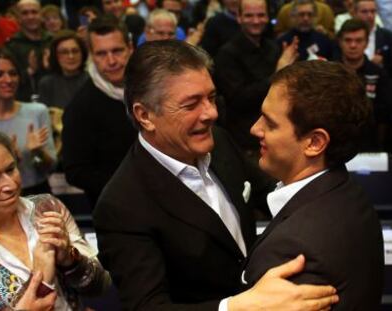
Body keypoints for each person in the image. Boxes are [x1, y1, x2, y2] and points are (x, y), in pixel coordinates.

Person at [93, 39, 339, 311]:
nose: (211, 113)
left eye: (210, 98)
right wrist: (236, 307)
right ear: (145, 115)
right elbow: (148, 307)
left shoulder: (219, 141)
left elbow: (270, 194)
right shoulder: (122, 205)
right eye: (191, 105)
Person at [243, 60, 384, 310]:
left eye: (270, 123)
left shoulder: (292, 250)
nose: (255, 129)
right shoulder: (349, 193)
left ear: (315, 142)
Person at [0, 124, 111, 310]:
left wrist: (70, 259)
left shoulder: (46, 208)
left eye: (10, 169)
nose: (10, 185)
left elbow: (100, 286)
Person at [62, 16, 137, 207]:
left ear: (130, 47)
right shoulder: (80, 108)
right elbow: (75, 171)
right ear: (91, 55)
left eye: (117, 50)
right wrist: (128, 187)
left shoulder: (150, 88)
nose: (111, 61)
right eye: (101, 54)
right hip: (115, 209)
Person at [215, 0, 298, 158]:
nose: (256, 21)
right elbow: (239, 99)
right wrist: (279, 73)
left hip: (278, 137)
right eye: (249, 15)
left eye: (261, 15)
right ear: (239, 17)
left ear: (268, 17)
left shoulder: (272, 47)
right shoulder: (227, 54)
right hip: (246, 143)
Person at [0, 47, 56, 195]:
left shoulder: (37, 111)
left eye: (13, 74)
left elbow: (51, 167)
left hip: (37, 193)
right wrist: (9, 160)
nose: (8, 80)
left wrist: (38, 153)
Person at [335, 18, 391, 151]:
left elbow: (386, 114)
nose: (353, 45)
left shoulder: (379, 74)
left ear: (366, 43)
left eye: (359, 40)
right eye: (348, 40)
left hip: (370, 145)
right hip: (335, 144)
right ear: (340, 42)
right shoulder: (329, 73)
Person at [6, 0, 52, 102]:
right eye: (25, 13)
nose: (30, 17)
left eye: (34, 12)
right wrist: (29, 71)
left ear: (41, 15)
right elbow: (7, 79)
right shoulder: (12, 46)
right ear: (18, 18)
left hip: (54, 98)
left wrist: (51, 66)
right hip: (25, 101)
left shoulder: (52, 41)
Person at [354, 0, 392, 76]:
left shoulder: (387, 36)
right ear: (354, 13)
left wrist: (384, 62)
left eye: (373, 11)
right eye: (364, 12)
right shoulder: (346, 35)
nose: (370, 16)